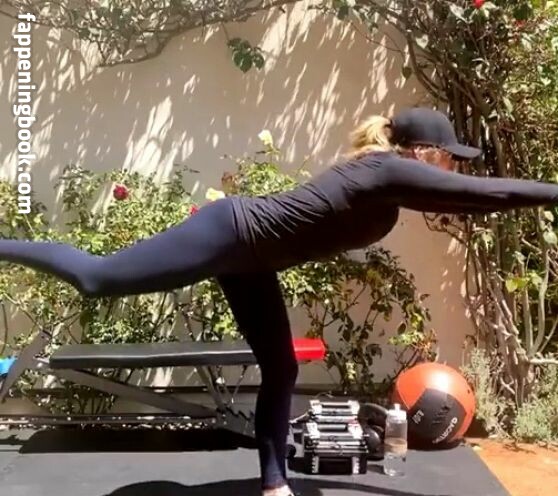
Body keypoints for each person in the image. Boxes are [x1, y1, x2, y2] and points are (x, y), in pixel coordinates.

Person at [1, 107, 558, 496]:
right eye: (451, 157)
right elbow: (488, 193)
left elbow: (469, 202)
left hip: (251, 259)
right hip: (229, 232)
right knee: (96, 278)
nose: (455, 168)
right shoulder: (384, 168)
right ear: (424, 153)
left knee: (281, 367)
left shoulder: (391, 185)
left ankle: (274, 484)